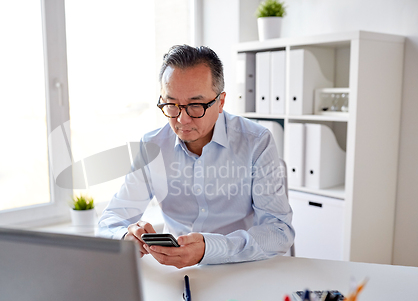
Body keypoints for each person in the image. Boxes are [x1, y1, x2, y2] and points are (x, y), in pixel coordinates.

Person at [98, 45, 294, 268]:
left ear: (220, 102)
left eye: (195, 105)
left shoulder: (256, 141)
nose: (182, 119)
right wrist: (126, 235)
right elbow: (109, 221)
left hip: (240, 269)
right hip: (177, 275)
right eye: (171, 104)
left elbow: (279, 232)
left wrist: (210, 248)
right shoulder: (152, 147)